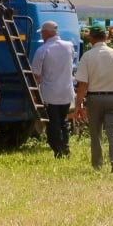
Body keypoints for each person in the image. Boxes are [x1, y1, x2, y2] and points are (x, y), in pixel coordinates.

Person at [72, 27, 113, 172]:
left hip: (94, 98)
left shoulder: (87, 56)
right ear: (105, 37)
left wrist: (78, 105)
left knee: (95, 132)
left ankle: (97, 165)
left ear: (91, 38)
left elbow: (83, 85)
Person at [31, 21, 76, 157]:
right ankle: (65, 147)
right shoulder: (69, 46)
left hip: (50, 94)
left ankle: (58, 150)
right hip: (67, 93)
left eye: (43, 33)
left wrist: (34, 93)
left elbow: (36, 75)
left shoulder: (43, 50)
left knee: (53, 124)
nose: (42, 35)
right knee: (63, 122)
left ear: (47, 33)